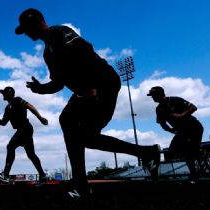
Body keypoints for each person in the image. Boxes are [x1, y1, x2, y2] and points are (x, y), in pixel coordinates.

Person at [15, 8, 161, 197]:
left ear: (38, 22)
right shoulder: (48, 54)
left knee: (70, 123)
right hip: (88, 88)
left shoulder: (58, 32)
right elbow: (58, 84)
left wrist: (91, 87)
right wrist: (40, 88)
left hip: (102, 82)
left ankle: (81, 186)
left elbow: (84, 49)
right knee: (82, 134)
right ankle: (146, 153)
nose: (26, 33)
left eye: (27, 28)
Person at [0, 86, 49, 185]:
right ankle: (43, 175)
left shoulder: (17, 100)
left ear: (10, 93)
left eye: (4, 92)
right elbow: (3, 123)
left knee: (10, 146)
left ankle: (5, 175)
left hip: (25, 128)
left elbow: (30, 107)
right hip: (23, 130)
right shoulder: (7, 108)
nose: (3, 94)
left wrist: (40, 118)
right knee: (31, 155)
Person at [147, 86, 204, 182]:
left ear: (159, 95)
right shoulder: (159, 109)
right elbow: (163, 124)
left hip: (194, 127)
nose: (152, 98)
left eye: (153, 95)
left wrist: (181, 115)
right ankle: (198, 156)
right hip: (182, 131)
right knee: (172, 151)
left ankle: (195, 173)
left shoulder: (175, 100)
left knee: (190, 152)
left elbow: (193, 107)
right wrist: (171, 130)